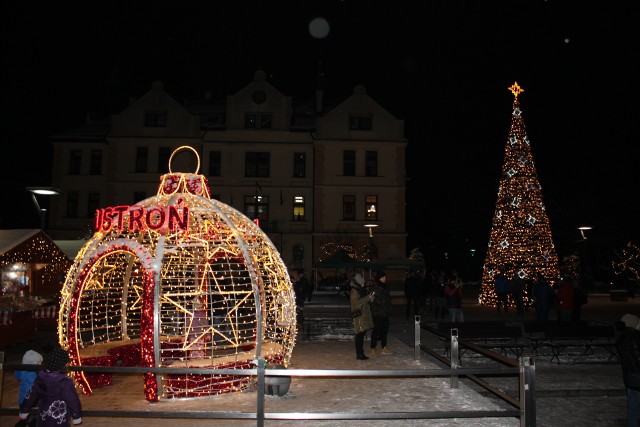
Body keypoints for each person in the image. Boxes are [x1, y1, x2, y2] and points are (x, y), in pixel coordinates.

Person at [19, 347, 83, 426]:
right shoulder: (65, 382)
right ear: (63, 364)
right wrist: (76, 416)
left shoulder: (40, 378)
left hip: (43, 419)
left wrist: (24, 410)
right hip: (60, 419)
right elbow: (72, 399)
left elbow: (31, 394)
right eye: (66, 362)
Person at [616, 313, 640, 426]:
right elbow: (637, 358)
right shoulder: (633, 338)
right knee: (635, 406)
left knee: (633, 405)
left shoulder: (624, 336)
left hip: (630, 377)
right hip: (637, 377)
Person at [349, 273, 375, 360]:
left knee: (361, 335)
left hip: (363, 316)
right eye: (362, 283)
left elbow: (364, 300)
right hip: (359, 316)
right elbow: (357, 303)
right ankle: (359, 354)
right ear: (358, 283)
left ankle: (361, 353)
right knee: (359, 335)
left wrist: (371, 297)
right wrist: (368, 297)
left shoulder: (361, 289)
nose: (364, 284)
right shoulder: (355, 291)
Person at [369, 270, 393, 355]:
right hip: (378, 313)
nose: (384, 279)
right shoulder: (375, 287)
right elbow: (371, 300)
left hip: (386, 313)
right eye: (383, 277)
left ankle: (384, 347)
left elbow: (389, 300)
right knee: (376, 331)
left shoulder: (386, 287)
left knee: (384, 331)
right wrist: (375, 310)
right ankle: (373, 347)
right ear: (379, 278)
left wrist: (389, 311)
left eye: (385, 277)